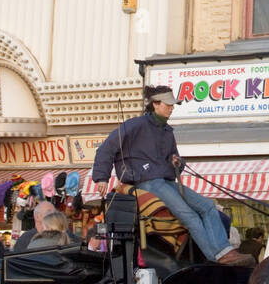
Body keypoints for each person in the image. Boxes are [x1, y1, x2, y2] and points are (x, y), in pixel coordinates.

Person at [91, 85, 253, 267]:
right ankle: (217, 257)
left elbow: (173, 159)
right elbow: (106, 149)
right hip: (146, 182)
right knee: (189, 215)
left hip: (165, 181)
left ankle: (225, 251)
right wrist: (101, 177)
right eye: (168, 104)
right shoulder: (135, 125)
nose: (171, 107)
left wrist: (177, 162)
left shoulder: (167, 132)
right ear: (155, 104)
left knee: (208, 206)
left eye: (172, 104)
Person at [12, 201, 79, 253]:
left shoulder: (68, 234)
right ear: (37, 217)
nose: (53, 216)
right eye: (49, 213)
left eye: (54, 213)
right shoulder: (25, 238)